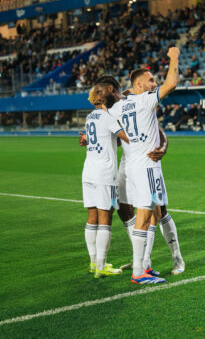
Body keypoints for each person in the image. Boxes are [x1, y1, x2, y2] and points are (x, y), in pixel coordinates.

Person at [96, 47, 184, 284]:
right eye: (150, 80)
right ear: (138, 86)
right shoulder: (145, 101)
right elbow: (172, 83)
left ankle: (148, 264)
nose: (154, 83)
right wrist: (174, 57)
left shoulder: (116, 107)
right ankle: (139, 270)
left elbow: (108, 106)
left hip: (134, 165)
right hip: (145, 166)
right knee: (147, 216)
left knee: (154, 213)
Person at [82, 87, 129, 278]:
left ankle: (94, 263)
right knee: (105, 218)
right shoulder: (107, 116)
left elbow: (107, 140)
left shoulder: (89, 117)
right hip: (104, 174)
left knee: (92, 217)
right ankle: (101, 267)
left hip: (88, 172)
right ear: (103, 98)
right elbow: (125, 137)